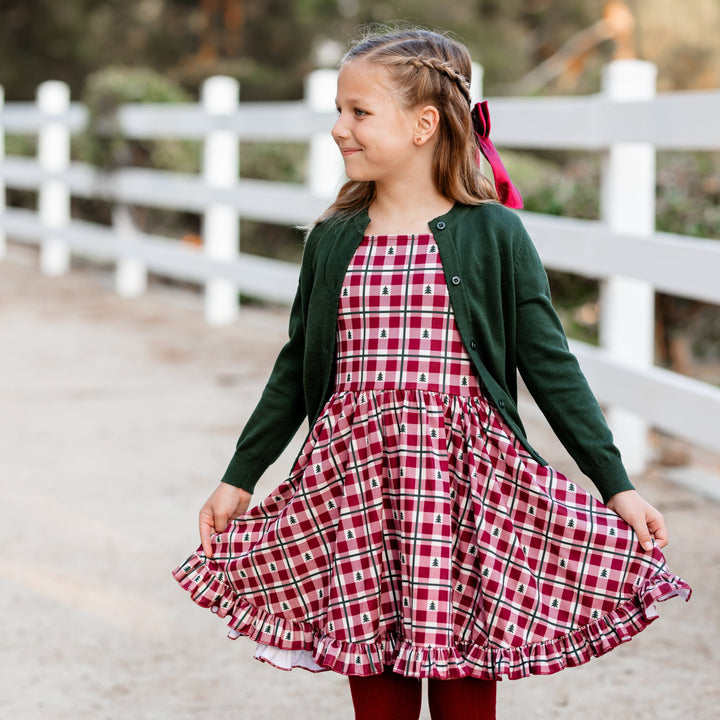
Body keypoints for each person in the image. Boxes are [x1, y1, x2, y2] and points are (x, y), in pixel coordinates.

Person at [173, 27, 691, 720]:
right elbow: (297, 363)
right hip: (356, 492)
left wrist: (615, 485)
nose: (338, 129)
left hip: (464, 495)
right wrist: (241, 475)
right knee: (376, 690)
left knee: (464, 689)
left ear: (423, 124)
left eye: (359, 112)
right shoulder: (335, 237)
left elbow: (550, 366)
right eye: (338, 110)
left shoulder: (493, 233)